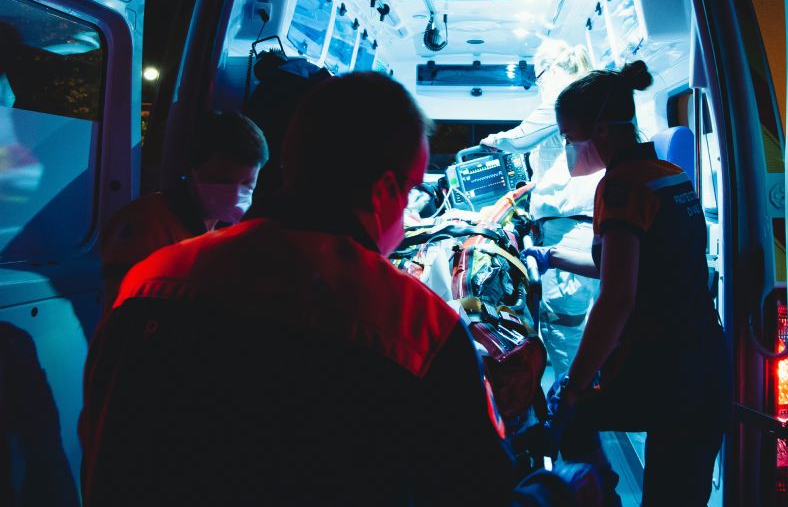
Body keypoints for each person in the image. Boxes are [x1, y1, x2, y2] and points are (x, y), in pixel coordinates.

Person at [78, 72, 603, 506]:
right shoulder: (418, 325)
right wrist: (556, 490)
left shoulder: (152, 278)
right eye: (412, 190)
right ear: (385, 193)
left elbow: (98, 442)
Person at [524, 60, 731, 506]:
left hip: (669, 372)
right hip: (705, 363)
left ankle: (597, 496)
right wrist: (554, 257)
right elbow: (635, 266)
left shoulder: (619, 187)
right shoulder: (669, 175)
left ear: (598, 129)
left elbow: (618, 297)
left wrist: (575, 384)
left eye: (567, 136)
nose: (567, 147)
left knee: (571, 413)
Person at [480, 39, 603, 381]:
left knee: (563, 327)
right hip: (579, 224)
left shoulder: (562, 98)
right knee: (577, 326)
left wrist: (491, 140)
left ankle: (573, 409)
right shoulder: (583, 97)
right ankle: (580, 402)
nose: (537, 85)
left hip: (569, 228)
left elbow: (519, 138)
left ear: (547, 70)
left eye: (536, 77)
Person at [98, 109, 269, 310]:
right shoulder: (145, 225)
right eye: (222, 182)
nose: (235, 195)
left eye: (248, 183)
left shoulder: (224, 231)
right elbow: (128, 315)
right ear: (192, 170)